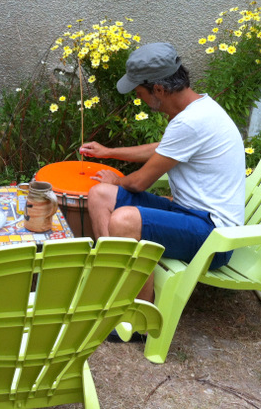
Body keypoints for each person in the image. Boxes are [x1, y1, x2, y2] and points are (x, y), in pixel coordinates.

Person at [79, 42, 245, 303]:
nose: (140, 99)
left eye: (140, 93)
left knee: (124, 220)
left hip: (213, 235)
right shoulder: (199, 108)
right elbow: (163, 149)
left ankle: (136, 315)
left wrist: (117, 179)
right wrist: (108, 151)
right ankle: (112, 281)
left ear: (158, 89)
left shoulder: (191, 122)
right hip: (187, 214)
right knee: (100, 194)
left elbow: (139, 183)